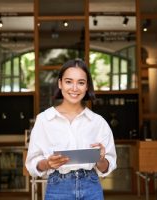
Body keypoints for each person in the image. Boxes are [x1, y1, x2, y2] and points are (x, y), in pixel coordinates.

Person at [25, 58, 117, 200]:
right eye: (69, 81)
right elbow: (32, 164)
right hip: (58, 188)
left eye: (81, 82)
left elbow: (106, 167)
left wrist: (100, 159)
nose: (74, 88)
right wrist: (48, 163)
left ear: (87, 87)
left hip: (91, 187)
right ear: (60, 83)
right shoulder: (44, 120)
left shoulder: (98, 122)